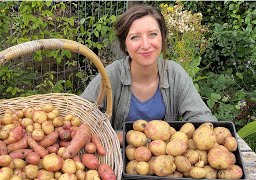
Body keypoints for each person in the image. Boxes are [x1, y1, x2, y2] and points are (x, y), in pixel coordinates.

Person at [80, 4, 217, 144]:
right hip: (116, 160)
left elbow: (203, 119)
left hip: (165, 161)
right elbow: (80, 116)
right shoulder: (110, 76)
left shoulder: (175, 74)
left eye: (152, 34)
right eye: (135, 37)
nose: (145, 45)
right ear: (125, 45)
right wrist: (119, 137)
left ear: (162, 38)